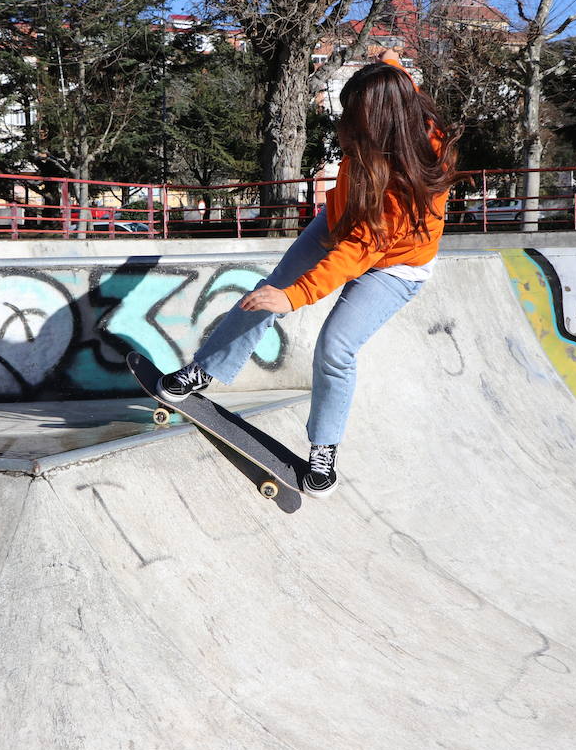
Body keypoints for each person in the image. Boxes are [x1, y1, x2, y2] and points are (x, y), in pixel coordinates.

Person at [156, 52, 458, 496]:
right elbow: (399, 79)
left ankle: (324, 447)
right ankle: (206, 369)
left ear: (379, 124)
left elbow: (359, 253)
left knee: (335, 347)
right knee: (266, 292)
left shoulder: (414, 180)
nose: (343, 131)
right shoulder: (399, 100)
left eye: (353, 122)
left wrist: (296, 297)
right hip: (341, 222)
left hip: (395, 265)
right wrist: (385, 61)